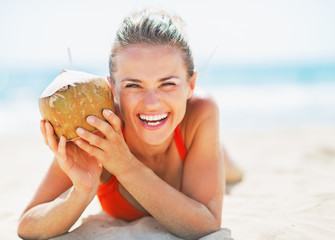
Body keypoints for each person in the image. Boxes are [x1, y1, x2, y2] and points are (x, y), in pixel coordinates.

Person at [18, 8, 242, 239]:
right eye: (133, 85)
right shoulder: (99, 130)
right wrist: (81, 193)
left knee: (234, 172)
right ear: (112, 89)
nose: (152, 103)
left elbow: (207, 226)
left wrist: (124, 165)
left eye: (168, 84)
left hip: (190, 137)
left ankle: (222, 154)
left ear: (191, 85)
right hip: (173, 130)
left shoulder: (199, 112)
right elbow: (27, 226)